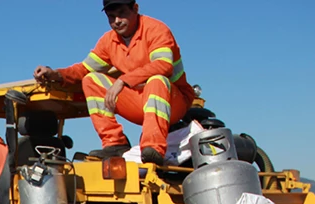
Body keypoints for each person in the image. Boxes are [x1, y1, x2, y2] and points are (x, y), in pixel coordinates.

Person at [33, 1, 195, 165]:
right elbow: (84, 69)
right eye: (111, 16)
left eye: (122, 13)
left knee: (156, 80)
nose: (116, 21)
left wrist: (123, 80)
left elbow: (163, 65)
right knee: (91, 80)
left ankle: (153, 149)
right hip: (141, 102)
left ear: (135, 9)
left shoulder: (156, 29)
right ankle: (115, 144)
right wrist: (56, 74)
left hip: (173, 102)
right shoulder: (108, 41)